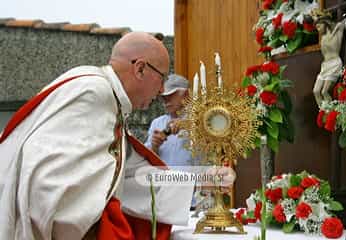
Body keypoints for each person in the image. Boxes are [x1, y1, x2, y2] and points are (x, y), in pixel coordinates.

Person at [0, 32, 198, 240]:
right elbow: (50, 187)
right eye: (162, 78)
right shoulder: (94, 94)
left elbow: (129, 172)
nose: (160, 90)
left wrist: (198, 183)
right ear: (140, 68)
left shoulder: (108, 97)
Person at [312, 0, 346, 106]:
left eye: (319, 26)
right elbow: (315, 18)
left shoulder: (338, 29)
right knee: (316, 91)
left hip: (334, 64)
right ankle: (324, 111)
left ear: (325, 22)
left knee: (324, 92)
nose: (318, 29)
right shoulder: (323, 37)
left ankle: (330, 111)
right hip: (325, 66)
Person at [144, 74, 196, 167]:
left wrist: (186, 124)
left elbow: (215, 132)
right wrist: (155, 146)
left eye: (170, 95)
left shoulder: (200, 118)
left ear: (186, 94)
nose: (166, 100)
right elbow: (147, 160)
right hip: (164, 179)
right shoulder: (157, 123)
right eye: (163, 97)